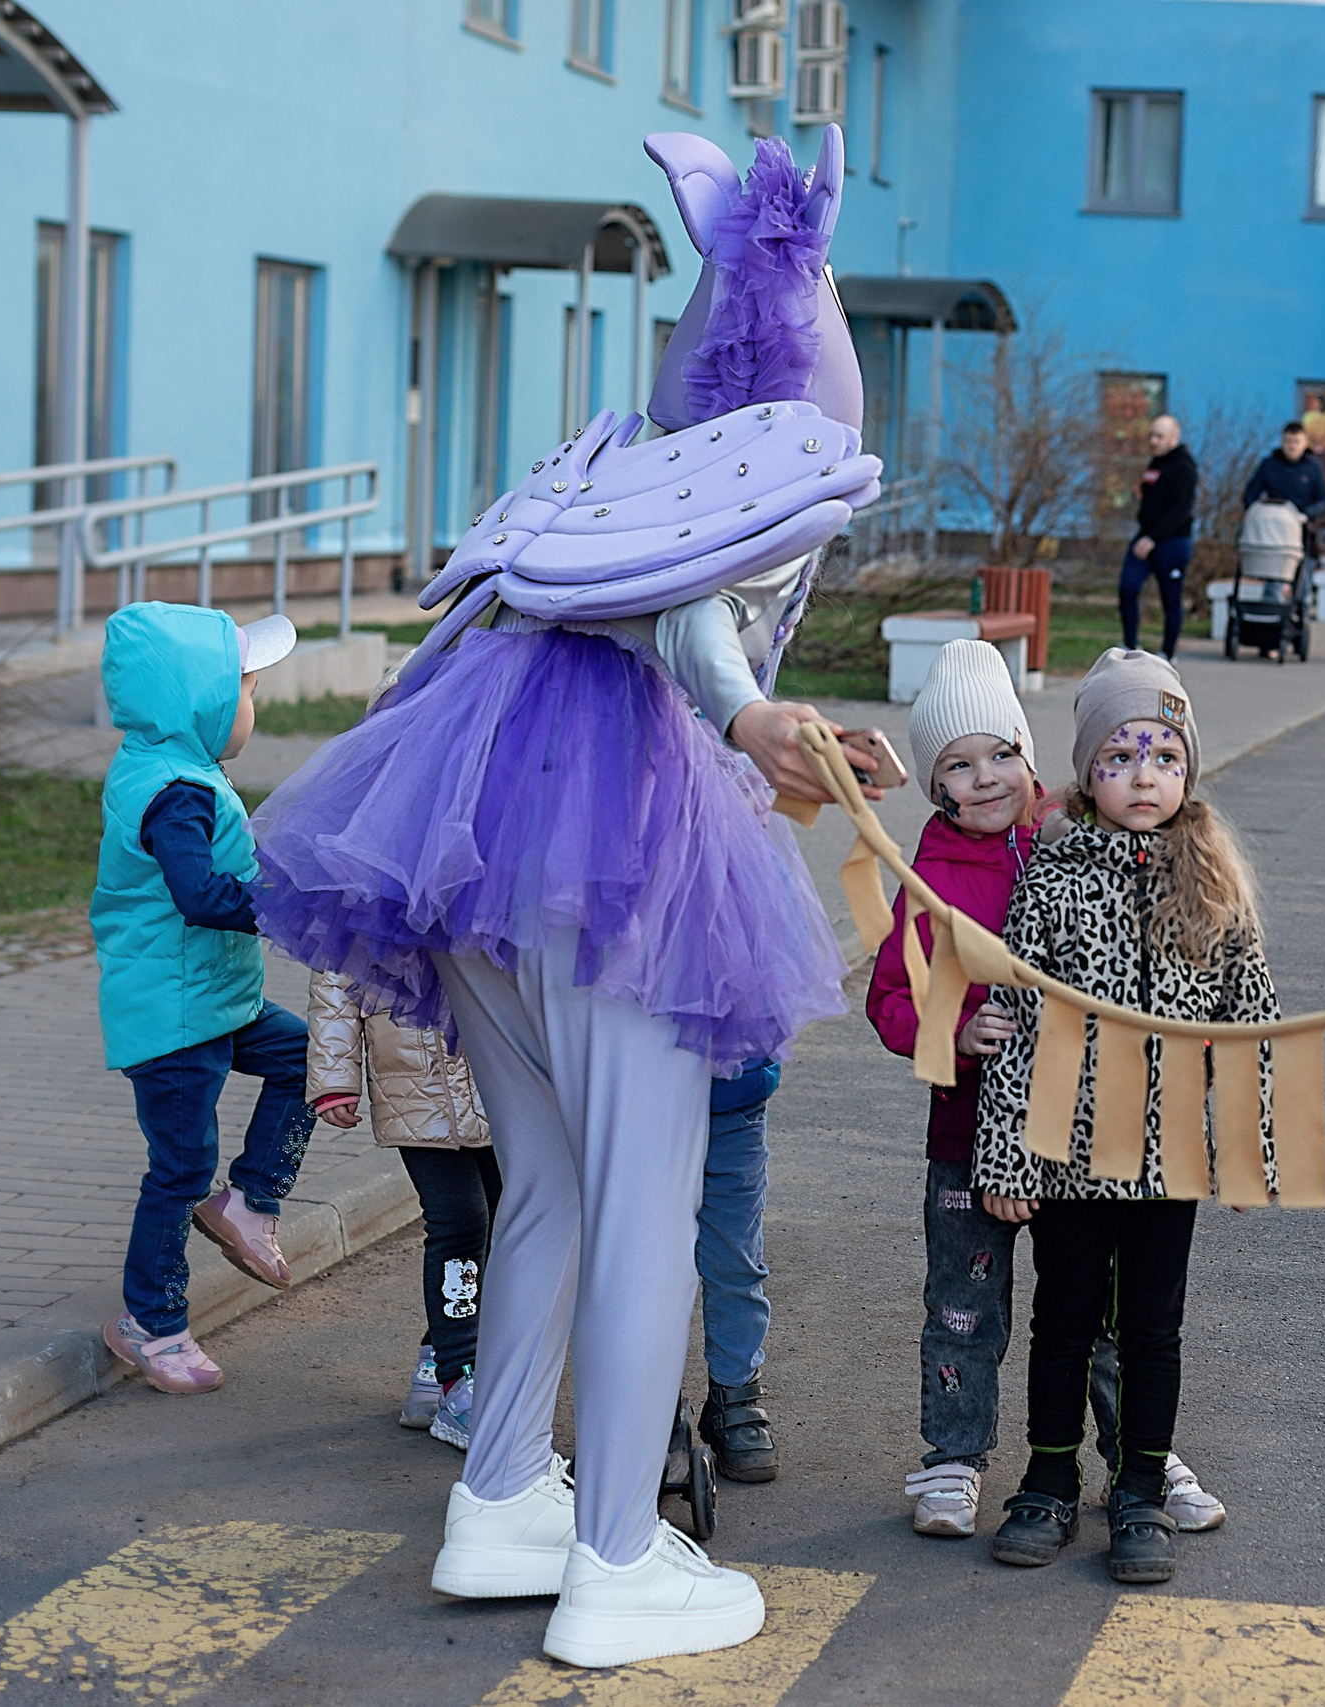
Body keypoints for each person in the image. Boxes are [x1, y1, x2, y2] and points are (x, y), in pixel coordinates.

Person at [252, 129, 883, 1670]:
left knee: (546, 1179)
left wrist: (756, 720)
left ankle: (500, 1496)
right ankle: (614, 1558)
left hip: (474, 843)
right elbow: (689, 616)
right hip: (619, 859)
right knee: (646, 1196)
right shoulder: (750, 466)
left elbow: (505, 617)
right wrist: (750, 716)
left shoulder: (593, 464)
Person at [867, 640, 1226, 1542]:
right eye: (959, 765)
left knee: (1098, 1311)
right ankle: (954, 1456)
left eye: (1001, 753)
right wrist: (953, 1031)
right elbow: (891, 998)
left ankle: (1139, 1455)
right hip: (968, 1134)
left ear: (1031, 756)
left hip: (1081, 1139)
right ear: (936, 784)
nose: (986, 777)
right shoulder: (929, 879)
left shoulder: (1076, 842)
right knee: (965, 1305)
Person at [975, 650, 1278, 1587]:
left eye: (1163, 756)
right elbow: (1016, 1023)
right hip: (1068, 1153)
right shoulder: (1054, 877)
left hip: (1169, 1156)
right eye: (1121, 756)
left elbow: (1250, 1026)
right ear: (1086, 773)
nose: (1145, 776)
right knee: (1063, 1320)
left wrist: (1245, 1149)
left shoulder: (1213, 884)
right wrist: (1008, 1159)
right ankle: (1048, 1480)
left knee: (1153, 1327)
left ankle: (1140, 1488)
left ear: (1187, 771)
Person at [92, 603, 308, 1396]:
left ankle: (249, 1202)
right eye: (246, 689)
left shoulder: (178, 766)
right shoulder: (172, 792)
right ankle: (151, 1322)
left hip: (214, 1000)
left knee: (308, 1056)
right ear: (202, 702)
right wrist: (286, 905)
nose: (255, 705)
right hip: (176, 1018)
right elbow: (199, 894)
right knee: (181, 1168)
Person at [305, 970, 495, 1446]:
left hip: (495, 1070)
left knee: (508, 1217)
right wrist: (334, 1075)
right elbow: (334, 975)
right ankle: (459, 1379)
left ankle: (438, 1355)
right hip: (415, 1080)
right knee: (460, 1221)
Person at [695, 1058, 781, 1483]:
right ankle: (648, 1401)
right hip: (637, 1098)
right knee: (646, 1267)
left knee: (735, 1261)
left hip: (733, 1095)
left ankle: (735, 1390)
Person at [1123, 415, 1197, 660]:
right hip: (1145, 536)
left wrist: (1153, 538)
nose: (1153, 441)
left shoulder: (1184, 467)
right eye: (1151, 436)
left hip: (1172, 541)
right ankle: (1130, 644)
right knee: (1128, 587)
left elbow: (1181, 510)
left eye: (1159, 436)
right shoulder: (1155, 463)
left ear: (1174, 438)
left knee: (1170, 598)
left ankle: (1168, 651)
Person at [1240, 421, 1325, 525]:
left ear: (1305, 444)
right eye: (1288, 441)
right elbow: (1250, 495)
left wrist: (1306, 514)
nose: (1292, 446)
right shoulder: (1269, 464)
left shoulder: (1314, 467)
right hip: (1272, 523)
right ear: (1281, 442)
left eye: (1297, 442)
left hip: (1302, 524)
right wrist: (1260, 512)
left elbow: (1324, 502)